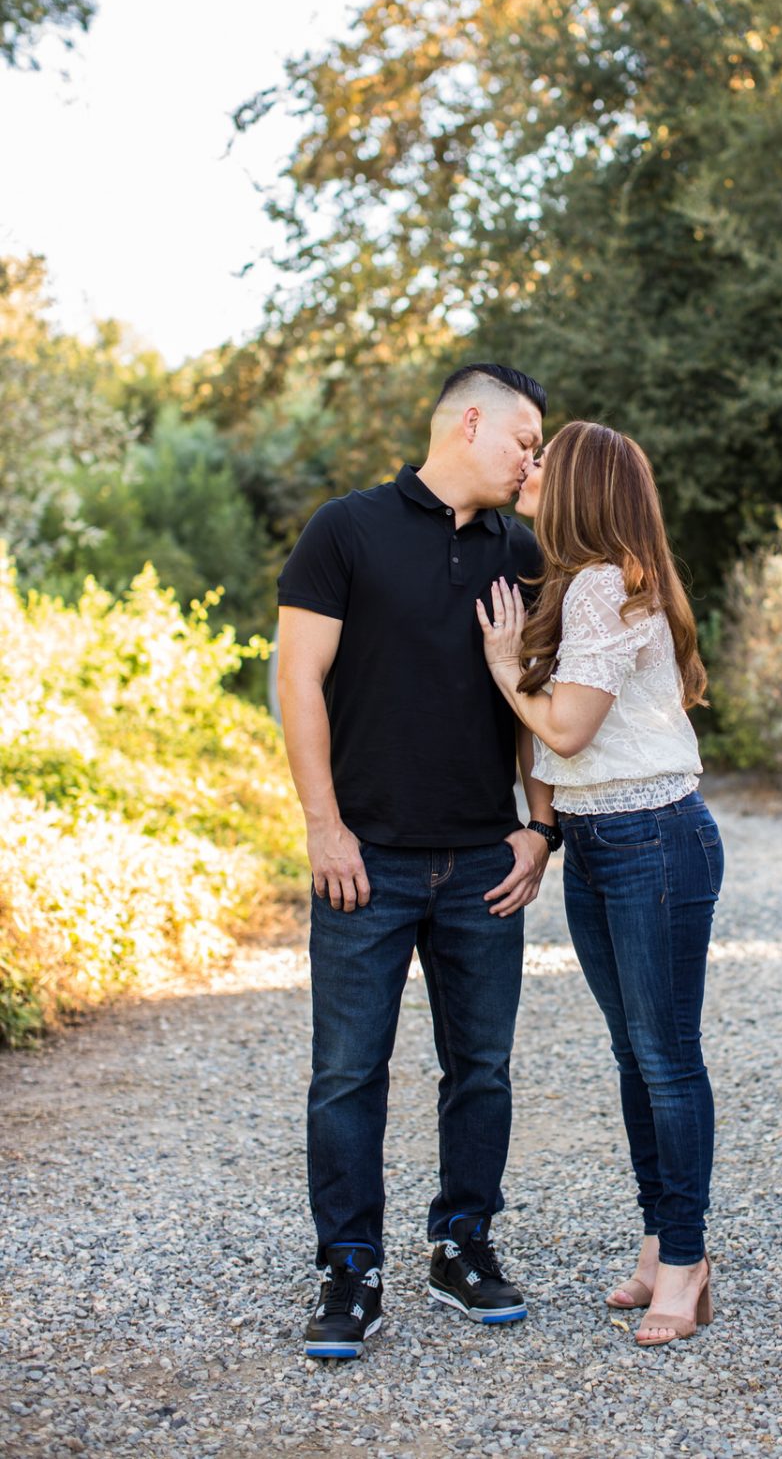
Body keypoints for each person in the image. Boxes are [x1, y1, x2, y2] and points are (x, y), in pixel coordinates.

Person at [276, 364, 562, 1359]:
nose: (535, 456)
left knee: (479, 1070)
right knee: (347, 1076)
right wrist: (323, 825)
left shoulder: (521, 551)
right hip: (366, 862)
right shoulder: (345, 530)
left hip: (486, 860)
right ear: (469, 421)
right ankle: (349, 1268)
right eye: (526, 436)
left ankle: (462, 1243)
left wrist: (539, 826)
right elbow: (296, 680)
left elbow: (535, 697)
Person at [478, 419, 723, 1349]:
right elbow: (561, 744)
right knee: (638, 1059)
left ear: (582, 483)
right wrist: (545, 828)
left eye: (548, 459)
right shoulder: (587, 583)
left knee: (664, 1059)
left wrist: (505, 668)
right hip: (605, 840)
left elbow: (567, 730)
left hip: (654, 840)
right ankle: (664, 1244)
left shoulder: (603, 586)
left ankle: (689, 1258)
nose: (529, 468)